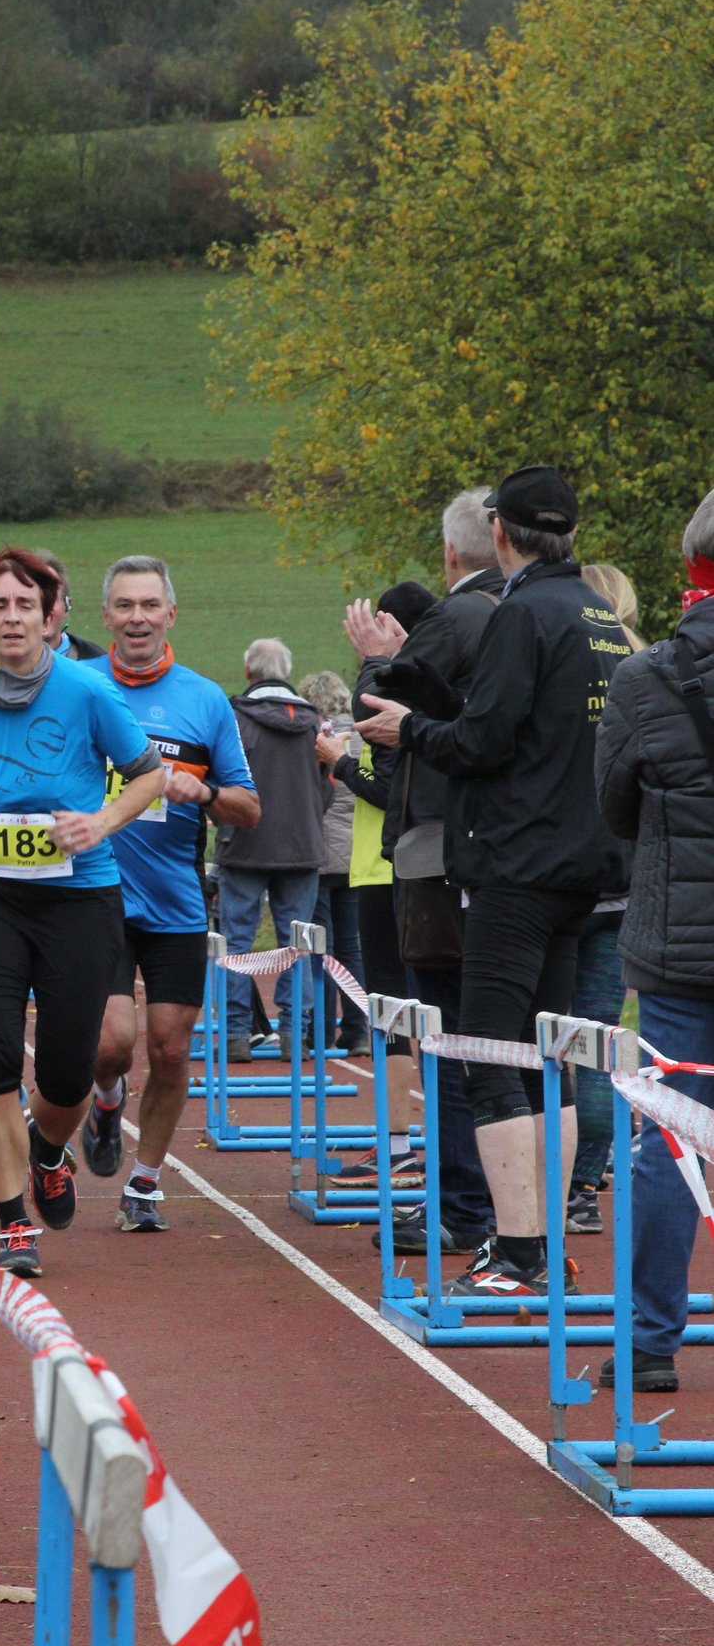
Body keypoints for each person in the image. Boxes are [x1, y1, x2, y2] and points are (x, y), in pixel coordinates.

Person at [360, 465, 628, 1298]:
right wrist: (433, 694)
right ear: (571, 533)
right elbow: (533, 726)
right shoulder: (599, 613)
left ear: (501, 534)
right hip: (584, 862)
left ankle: (517, 1250)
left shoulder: (522, 612)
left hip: (520, 863)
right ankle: (537, 1242)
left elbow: (485, 743)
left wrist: (411, 729)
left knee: (488, 1052)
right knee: (547, 1053)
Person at [0, 547, 163, 1276]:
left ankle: (48, 1149)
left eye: (26, 605)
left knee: (68, 1074)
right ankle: (13, 1221)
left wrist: (100, 822)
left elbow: (150, 776)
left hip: (78, 897)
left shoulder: (86, 690)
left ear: (49, 617)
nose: (13, 618)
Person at [344, 490, 505, 1253]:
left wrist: (379, 659)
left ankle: (463, 1206)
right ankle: (510, 1208)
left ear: (450, 553)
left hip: (444, 855)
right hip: (509, 855)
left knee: (446, 1036)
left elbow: (379, 709)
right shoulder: (534, 615)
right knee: (510, 1038)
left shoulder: (461, 617)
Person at [78, 556, 259, 1230]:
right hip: (93, 894)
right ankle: (105, 1097)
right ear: (106, 616)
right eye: (125, 606)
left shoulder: (205, 700)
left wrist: (203, 791)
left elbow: (248, 807)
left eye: (150, 605)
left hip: (176, 901)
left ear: (171, 615)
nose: (138, 619)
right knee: (110, 1043)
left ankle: (145, 1181)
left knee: (171, 1048)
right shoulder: (77, 685)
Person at [594, 499, 714, 1391]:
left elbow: (615, 808)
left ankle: (648, 1340)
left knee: (670, 1139)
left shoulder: (644, 678)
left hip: (678, 942)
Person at [316, 582, 437, 1195]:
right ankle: (408, 1143)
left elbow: (391, 791)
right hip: (388, 867)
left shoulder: (394, 696)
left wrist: (338, 761)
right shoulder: (424, 693)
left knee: (397, 1013)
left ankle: (402, 1147)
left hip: (390, 870)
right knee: (404, 1013)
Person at [566, 564, 642, 1232]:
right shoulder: (653, 671)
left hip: (560, 880)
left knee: (543, 1040)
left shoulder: (567, 668)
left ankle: (556, 1178)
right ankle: (585, 1184)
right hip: (628, 879)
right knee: (597, 1037)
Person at [215, 639, 331, 1057]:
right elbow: (327, 788)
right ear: (288, 671)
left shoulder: (234, 718)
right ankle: (294, 1035)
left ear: (249, 671)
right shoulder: (316, 722)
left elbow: (218, 780)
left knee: (236, 942)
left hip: (243, 842)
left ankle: (235, 1034)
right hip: (302, 846)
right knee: (297, 943)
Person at [299, 670, 367, 1054]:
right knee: (351, 947)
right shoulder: (362, 735)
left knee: (320, 949)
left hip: (320, 854)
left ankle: (321, 1031)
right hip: (355, 853)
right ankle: (358, 1030)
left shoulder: (314, 738)